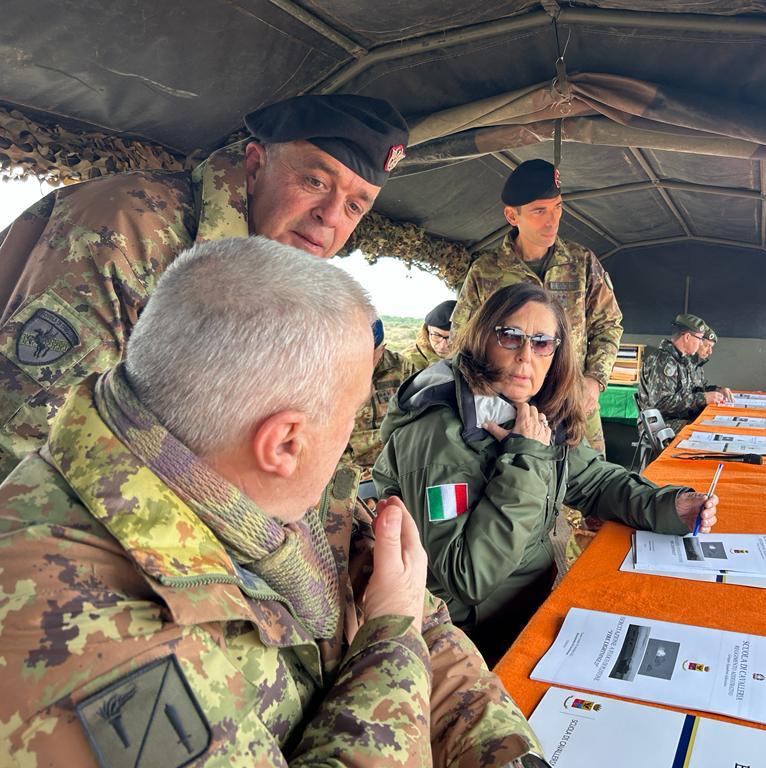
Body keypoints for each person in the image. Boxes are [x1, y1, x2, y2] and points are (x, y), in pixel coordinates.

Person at [0, 238, 540, 767]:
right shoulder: (75, 633)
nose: (352, 438)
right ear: (284, 443)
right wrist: (390, 634)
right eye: (353, 415)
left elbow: (426, 622)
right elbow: (404, 616)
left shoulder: (287, 494)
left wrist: (510, 756)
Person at [0, 93, 409, 477]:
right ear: (254, 167)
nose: (331, 216)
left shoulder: (274, 277)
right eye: (315, 182)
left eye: (354, 206)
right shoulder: (128, 232)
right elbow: (23, 445)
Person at [374, 283, 718, 665]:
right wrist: (527, 458)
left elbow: (593, 481)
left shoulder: (527, 408)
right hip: (471, 641)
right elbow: (468, 576)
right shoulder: (438, 436)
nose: (526, 356)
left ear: (556, 353)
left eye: (541, 343)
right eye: (510, 336)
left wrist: (668, 506)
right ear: (482, 339)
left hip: (534, 604)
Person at [448, 159, 622, 457]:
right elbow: (461, 341)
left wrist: (594, 380)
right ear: (512, 215)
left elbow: (608, 325)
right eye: (539, 211)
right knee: (517, 479)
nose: (552, 221)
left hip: (572, 406)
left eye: (557, 207)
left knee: (585, 479)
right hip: (507, 413)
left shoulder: (581, 263)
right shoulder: (486, 271)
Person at [339, 316, 416, 482]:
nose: (361, 361)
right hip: (343, 469)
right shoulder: (331, 369)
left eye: (368, 355)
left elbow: (418, 419)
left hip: (393, 466)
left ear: (382, 349)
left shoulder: (402, 367)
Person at [638, 313, 727, 432]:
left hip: (679, 419)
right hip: (661, 425)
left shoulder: (682, 360)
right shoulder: (664, 361)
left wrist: (715, 392)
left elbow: (693, 390)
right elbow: (661, 403)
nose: (701, 343)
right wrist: (702, 398)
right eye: (700, 339)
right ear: (687, 337)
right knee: (708, 430)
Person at [404, 299, 456, 372]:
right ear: (427, 330)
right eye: (436, 335)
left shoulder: (470, 357)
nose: (443, 346)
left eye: (452, 338)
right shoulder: (408, 361)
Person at [692, 322, 733, 402]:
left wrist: (718, 390)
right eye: (707, 346)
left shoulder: (697, 364)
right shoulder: (682, 362)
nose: (710, 352)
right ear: (697, 342)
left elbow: (700, 389)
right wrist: (703, 398)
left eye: (711, 347)